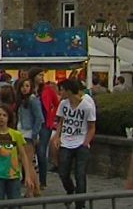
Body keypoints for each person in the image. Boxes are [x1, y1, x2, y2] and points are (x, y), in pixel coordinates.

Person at [51, 79, 96, 209]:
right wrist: (57, 136)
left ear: (68, 90)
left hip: (81, 142)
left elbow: (92, 126)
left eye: (62, 90)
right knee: (63, 172)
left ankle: (80, 204)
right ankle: (71, 190)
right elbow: (61, 121)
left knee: (80, 174)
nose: (60, 92)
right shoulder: (63, 104)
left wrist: (86, 142)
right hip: (66, 141)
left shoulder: (86, 105)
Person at [0, 105, 34, 202]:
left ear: (8, 118)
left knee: (15, 203)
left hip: (14, 175)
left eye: (4, 115)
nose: (1, 117)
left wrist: (27, 175)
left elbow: (23, 156)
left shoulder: (16, 135)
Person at [29, 67, 59, 189]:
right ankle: (28, 176)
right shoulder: (28, 88)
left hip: (44, 124)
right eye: (40, 75)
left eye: (43, 75)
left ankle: (42, 180)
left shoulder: (48, 89)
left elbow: (57, 104)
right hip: (30, 123)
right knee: (28, 151)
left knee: (41, 151)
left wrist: (52, 117)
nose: (42, 77)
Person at [16, 78, 44, 197]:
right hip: (21, 131)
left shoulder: (33, 100)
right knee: (28, 163)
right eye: (23, 86)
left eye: (27, 86)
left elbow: (39, 118)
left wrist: (34, 134)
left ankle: (30, 190)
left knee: (27, 163)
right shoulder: (23, 100)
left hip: (28, 134)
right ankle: (36, 188)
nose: (24, 88)